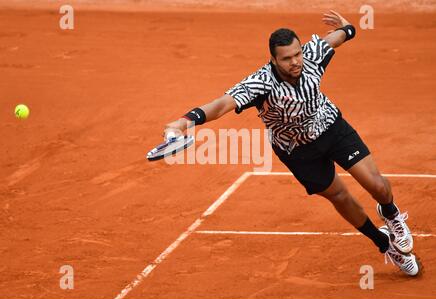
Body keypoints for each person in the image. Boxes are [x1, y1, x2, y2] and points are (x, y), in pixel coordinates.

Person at [163, 10, 420, 276]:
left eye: (297, 54)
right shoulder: (259, 84)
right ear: (273, 60)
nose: (296, 62)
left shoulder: (311, 55)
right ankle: (383, 244)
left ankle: (390, 214)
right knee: (340, 196)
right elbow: (221, 105)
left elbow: (338, 37)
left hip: (331, 127)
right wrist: (183, 122)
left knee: (377, 185)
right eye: (287, 58)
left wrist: (348, 28)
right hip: (297, 151)